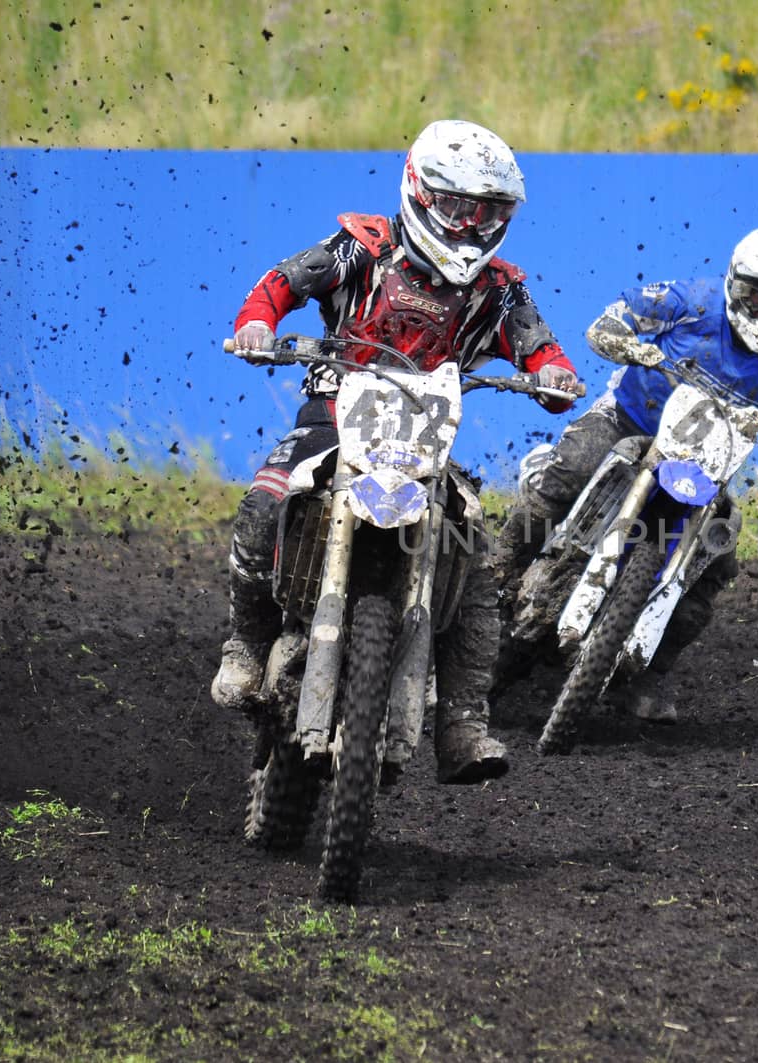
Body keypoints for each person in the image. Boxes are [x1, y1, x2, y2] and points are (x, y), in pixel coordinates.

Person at [212, 119, 581, 784]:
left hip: (425, 442)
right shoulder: (363, 247)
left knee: (476, 564)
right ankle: (245, 643)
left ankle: (464, 722)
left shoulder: (497, 287)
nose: (471, 227)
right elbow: (285, 280)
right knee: (266, 504)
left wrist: (552, 373)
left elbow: (538, 345)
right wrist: (259, 324)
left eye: (488, 214)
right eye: (459, 208)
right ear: (419, 190)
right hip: (333, 412)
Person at [491, 226, 758, 724]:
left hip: (705, 465)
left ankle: (652, 673)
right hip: (629, 420)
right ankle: (496, 573)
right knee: (566, 474)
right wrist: (619, 336)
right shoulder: (693, 302)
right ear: (734, 284)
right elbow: (620, 313)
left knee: (715, 567)